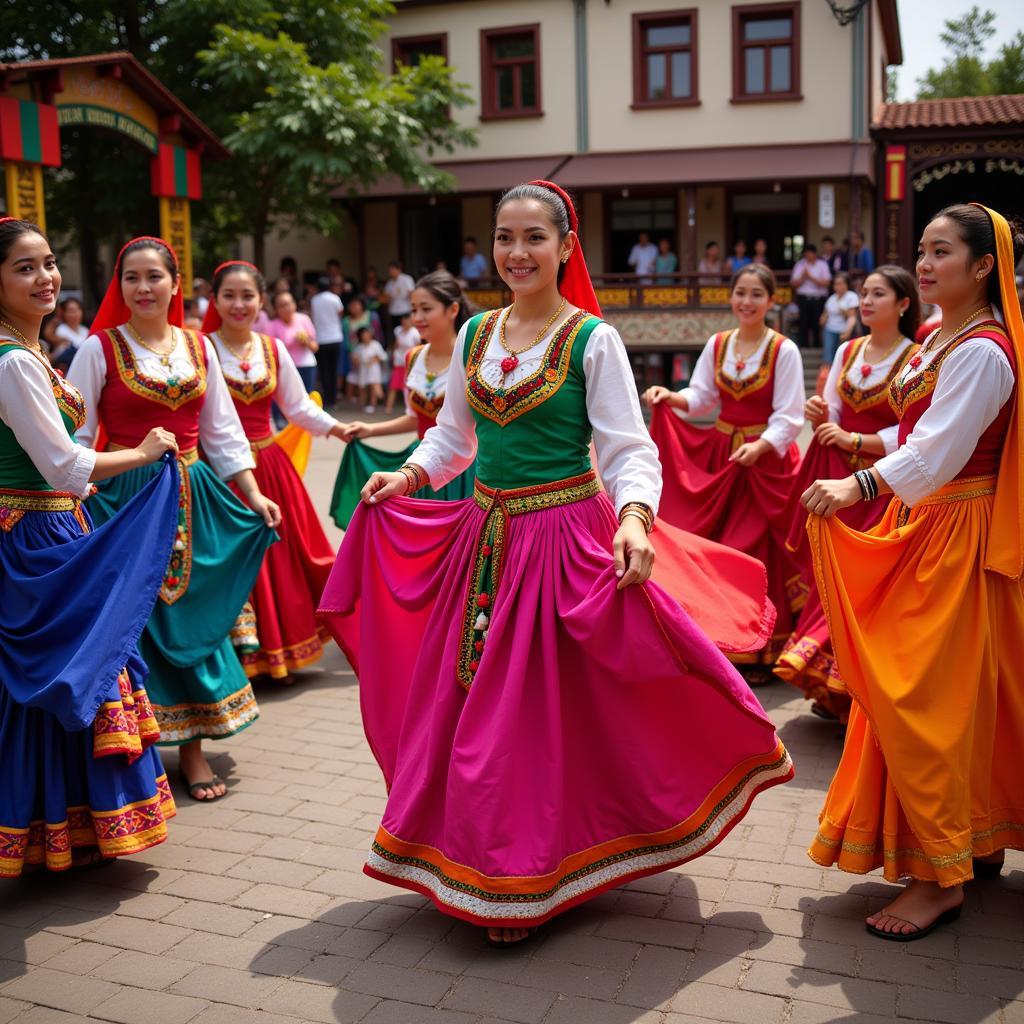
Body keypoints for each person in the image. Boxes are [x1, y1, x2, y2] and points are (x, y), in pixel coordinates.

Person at [318, 181, 792, 945]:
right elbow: (453, 441)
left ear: (567, 246)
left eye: (535, 237)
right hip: (486, 540)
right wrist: (406, 476)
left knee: (539, 714)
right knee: (470, 708)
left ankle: (526, 874)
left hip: (568, 540)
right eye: (504, 237)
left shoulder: (589, 340)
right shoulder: (474, 336)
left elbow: (627, 449)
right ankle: (483, 862)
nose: (517, 252)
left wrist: (635, 521)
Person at [801, 204, 1024, 940]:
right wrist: (864, 448)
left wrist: (858, 483)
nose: (924, 265)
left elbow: (943, 450)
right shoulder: (940, 339)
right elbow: (914, 432)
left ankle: (937, 878)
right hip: (930, 522)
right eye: (921, 251)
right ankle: (973, 839)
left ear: (984, 265)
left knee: (923, 697)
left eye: (941, 252)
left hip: (960, 531)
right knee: (957, 695)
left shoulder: (984, 351)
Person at [67, 236, 280, 803]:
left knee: (193, 611)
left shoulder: (197, 347)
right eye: (131, 277)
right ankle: (138, 749)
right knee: (136, 620)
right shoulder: (99, 349)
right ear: (120, 285)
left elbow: (222, 431)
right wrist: (76, 493)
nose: (143, 288)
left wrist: (254, 494)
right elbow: (80, 436)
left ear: (174, 283)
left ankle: (193, 751)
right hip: (125, 499)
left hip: (193, 491)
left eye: (154, 277)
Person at [0, 217, 181, 876]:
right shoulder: (16, 360)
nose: (45, 277)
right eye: (25, 267)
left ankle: (63, 828)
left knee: (61, 674)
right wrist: (143, 451)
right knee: (62, 675)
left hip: (42, 528)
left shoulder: (25, 351)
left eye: (48, 262)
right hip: (38, 532)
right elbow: (63, 468)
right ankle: (62, 828)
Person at [643, 264, 805, 683]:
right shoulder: (718, 344)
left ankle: (761, 646)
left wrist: (762, 446)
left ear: (771, 301)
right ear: (731, 298)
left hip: (763, 461)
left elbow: (789, 415)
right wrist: (671, 397)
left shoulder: (782, 350)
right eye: (740, 293)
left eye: (756, 294)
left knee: (753, 549)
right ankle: (722, 638)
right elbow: (701, 398)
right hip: (725, 457)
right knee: (715, 546)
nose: (747, 302)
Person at [776, 267, 920, 721]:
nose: (867, 300)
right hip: (838, 478)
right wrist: (820, 415)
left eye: (879, 293)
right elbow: (832, 410)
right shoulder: (847, 350)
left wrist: (856, 441)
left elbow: (914, 429)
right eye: (864, 293)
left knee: (872, 588)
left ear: (903, 304)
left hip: (883, 486)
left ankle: (858, 692)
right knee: (831, 582)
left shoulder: (916, 356)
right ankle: (832, 690)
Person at [203, 260, 346, 682]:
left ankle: (278, 652)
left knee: (284, 559)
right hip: (217, 474)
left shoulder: (272, 348)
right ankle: (236, 661)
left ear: (261, 302)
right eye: (229, 295)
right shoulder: (200, 348)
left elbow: (298, 407)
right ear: (215, 301)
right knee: (231, 563)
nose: (239, 304)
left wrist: (339, 428)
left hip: (269, 465)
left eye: (247, 296)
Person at [328, 271, 475, 529]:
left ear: (452, 309)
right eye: (413, 309)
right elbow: (415, 419)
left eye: (425, 309)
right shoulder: (413, 358)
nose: (416, 318)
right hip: (422, 465)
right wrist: (371, 429)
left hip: (465, 469)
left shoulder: (473, 355)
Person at [269, 290, 318, 393]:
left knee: (307, 398)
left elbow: (315, 347)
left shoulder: (304, 319)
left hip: (306, 366)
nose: (287, 308)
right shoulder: (271, 325)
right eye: (282, 305)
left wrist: (306, 342)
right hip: (285, 369)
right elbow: (269, 352)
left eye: (289, 303)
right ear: (276, 309)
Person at [309, 276, 344, 407]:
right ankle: (333, 399)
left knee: (324, 371)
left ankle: (327, 400)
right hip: (335, 337)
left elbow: (313, 316)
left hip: (321, 339)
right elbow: (340, 313)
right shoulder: (335, 298)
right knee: (334, 370)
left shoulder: (314, 300)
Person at [791, 244, 832, 348]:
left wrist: (811, 277)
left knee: (816, 322)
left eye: (810, 253)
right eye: (806, 253)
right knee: (803, 322)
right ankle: (804, 345)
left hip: (817, 298)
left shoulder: (822, 265)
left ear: (814, 254)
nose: (808, 256)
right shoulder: (800, 265)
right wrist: (803, 277)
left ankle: (817, 345)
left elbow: (826, 283)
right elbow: (793, 283)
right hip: (803, 298)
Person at [819, 272, 860, 364]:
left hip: (844, 330)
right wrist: (822, 320)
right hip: (830, 330)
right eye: (836, 284)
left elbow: (852, 316)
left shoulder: (852, 296)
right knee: (828, 355)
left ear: (846, 284)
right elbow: (824, 316)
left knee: (844, 356)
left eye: (841, 284)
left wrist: (847, 331)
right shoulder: (831, 299)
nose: (838, 286)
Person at [384, 312, 419, 414]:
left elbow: (417, 348)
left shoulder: (415, 333)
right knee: (393, 385)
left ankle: (410, 409)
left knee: (408, 387)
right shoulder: (398, 330)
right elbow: (395, 345)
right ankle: (388, 407)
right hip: (398, 362)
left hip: (410, 363)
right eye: (403, 320)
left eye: (407, 320)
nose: (405, 322)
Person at [47, 297, 89, 372]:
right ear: (64, 313)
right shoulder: (61, 330)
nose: (75, 313)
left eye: (77, 310)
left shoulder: (85, 330)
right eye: (71, 311)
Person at [351, 326, 386, 413]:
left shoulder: (376, 344)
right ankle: (363, 405)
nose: (366, 336)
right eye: (363, 334)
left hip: (374, 368)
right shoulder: (359, 346)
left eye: (367, 333)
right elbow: (354, 359)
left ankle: (372, 405)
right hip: (363, 369)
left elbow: (383, 356)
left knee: (373, 386)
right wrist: (356, 360)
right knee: (363, 387)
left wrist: (375, 359)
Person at [383, 260, 415, 341]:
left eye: (393, 269)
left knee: (408, 332)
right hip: (393, 311)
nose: (391, 272)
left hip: (405, 309)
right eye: (390, 270)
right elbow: (386, 298)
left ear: (399, 269)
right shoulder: (389, 283)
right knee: (396, 333)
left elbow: (412, 294)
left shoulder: (407, 279)